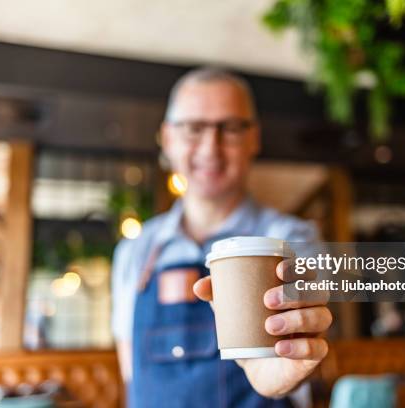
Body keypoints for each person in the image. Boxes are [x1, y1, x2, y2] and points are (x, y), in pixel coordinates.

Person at [111, 67, 332, 408]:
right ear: (168, 139)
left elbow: (309, 344)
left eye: (229, 128)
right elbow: (131, 372)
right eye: (194, 128)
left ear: (254, 138)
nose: (210, 147)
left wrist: (288, 368)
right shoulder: (135, 252)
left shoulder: (290, 240)